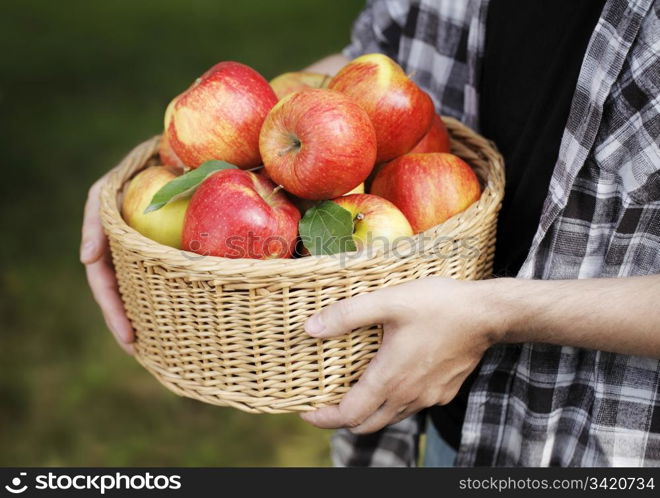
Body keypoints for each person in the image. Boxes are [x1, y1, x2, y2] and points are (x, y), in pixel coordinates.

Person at [81, 0, 660, 467]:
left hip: (585, 441)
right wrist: (162, 170)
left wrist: (497, 312)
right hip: (424, 418)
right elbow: (354, 70)